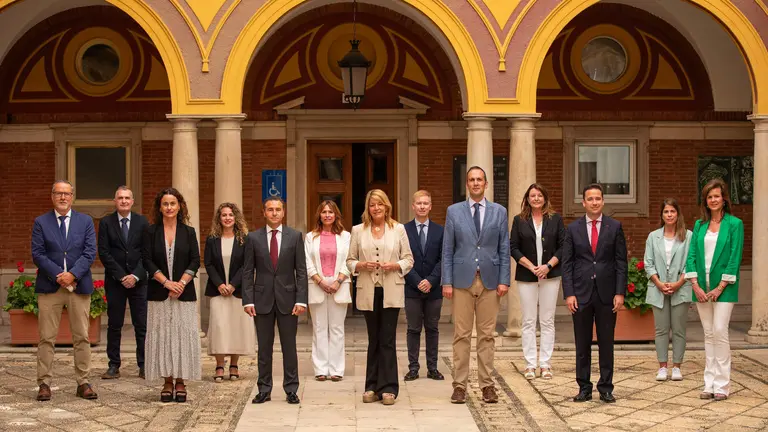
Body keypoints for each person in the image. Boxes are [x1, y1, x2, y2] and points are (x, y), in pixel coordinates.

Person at [442, 166, 510, 405]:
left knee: (487, 336)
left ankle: (487, 386)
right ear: (467, 184)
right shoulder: (454, 211)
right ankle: (459, 386)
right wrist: (446, 281)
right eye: (471, 179)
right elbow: (448, 248)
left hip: (490, 282)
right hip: (461, 281)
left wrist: (504, 279)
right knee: (461, 335)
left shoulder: (499, 212)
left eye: (479, 179)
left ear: (486, 183)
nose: (475, 183)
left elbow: (504, 248)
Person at [32, 180, 97, 401]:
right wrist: (60, 275)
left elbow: (90, 252)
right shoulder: (41, 222)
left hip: (78, 286)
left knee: (82, 337)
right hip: (51, 286)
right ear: (52, 196)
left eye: (66, 194)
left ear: (72, 197)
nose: (62, 197)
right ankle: (44, 383)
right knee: (46, 337)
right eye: (58, 193)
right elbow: (38, 254)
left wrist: (73, 275)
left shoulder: (85, 221)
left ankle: (83, 382)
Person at [347, 189, 414, 406]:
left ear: (387, 206)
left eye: (380, 204)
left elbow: (408, 259)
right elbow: (349, 260)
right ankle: (371, 386)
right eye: (372, 205)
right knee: (373, 339)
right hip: (368, 289)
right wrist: (360, 265)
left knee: (387, 339)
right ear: (368, 208)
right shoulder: (358, 230)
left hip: (391, 289)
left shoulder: (398, 229)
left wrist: (395, 265)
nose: (376, 208)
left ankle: (389, 388)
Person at [562, 183, 627, 404]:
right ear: (583, 202)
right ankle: (584, 387)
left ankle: (606, 388)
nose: (594, 202)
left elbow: (621, 262)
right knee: (582, 344)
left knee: (606, 343)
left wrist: (620, 292)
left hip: (607, 294)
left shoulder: (615, 226)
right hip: (580, 294)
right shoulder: (572, 229)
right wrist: (569, 293)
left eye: (598, 198)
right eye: (590, 199)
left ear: (603, 201)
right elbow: (567, 264)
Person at [243, 197, 308, 405]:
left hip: (288, 300)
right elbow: (247, 271)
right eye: (270, 210)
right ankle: (264, 389)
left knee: (289, 347)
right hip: (261, 300)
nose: (274, 213)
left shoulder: (295, 236)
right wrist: (248, 300)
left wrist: (301, 300)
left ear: (283, 212)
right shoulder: (253, 238)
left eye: (277, 209)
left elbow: (301, 271)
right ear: (264, 212)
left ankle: (291, 389)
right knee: (264, 348)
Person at [685, 179, 743, 401]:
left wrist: (719, 287)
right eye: (709, 197)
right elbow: (691, 256)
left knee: (720, 331)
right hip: (701, 288)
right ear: (705, 200)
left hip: (725, 287)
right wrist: (695, 285)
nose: (713, 200)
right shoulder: (699, 225)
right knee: (708, 334)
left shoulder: (735, 224)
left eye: (717, 196)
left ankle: (722, 385)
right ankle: (708, 383)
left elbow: (734, 258)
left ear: (724, 198)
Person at [142, 188, 201, 403]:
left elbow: (195, 260)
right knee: (162, 335)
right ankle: (167, 380)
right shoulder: (150, 231)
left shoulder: (189, 232)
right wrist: (166, 282)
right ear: (160, 207)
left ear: (180, 207)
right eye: (165, 204)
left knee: (183, 335)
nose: (169, 207)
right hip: (159, 292)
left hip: (184, 294)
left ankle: (181, 381)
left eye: (173, 203)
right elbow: (147, 260)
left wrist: (181, 284)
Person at [509, 183, 565, 381]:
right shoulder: (519, 220)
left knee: (547, 320)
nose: (536, 198)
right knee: (529, 320)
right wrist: (531, 267)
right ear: (527, 198)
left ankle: (546, 364)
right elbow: (513, 247)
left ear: (545, 198)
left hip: (550, 275)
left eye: (539, 195)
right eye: (532, 195)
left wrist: (547, 266)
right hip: (527, 276)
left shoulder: (555, 219)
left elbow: (563, 246)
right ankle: (530, 364)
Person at [98, 186, 149, 380]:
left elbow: (147, 252)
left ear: (132, 201)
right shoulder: (106, 222)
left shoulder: (142, 222)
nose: (124, 201)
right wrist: (121, 276)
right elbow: (104, 252)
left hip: (139, 282)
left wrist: (135, 275)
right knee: (114, 324)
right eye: (120, 198)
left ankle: (143, 365)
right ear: (115, 201)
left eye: (127, 198)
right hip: (115, 282)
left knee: (141, 325)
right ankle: (113, 365)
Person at [204, 202, 255, 383]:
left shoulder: (244, 239)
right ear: (219, 218)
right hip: (218, 292)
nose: (227, 218)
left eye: (230, 215)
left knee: (235, 328)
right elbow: (208, 263)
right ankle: (219, 365)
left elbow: (246, 265)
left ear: (236, 218)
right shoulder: (212, 239)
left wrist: (233, 284)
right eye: (224, 215)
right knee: (219, 327)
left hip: (238, 291)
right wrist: (220, 284)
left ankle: (234, 364)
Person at [644, 198, 692, 382]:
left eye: (672, 211)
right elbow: (648, 263)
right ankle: (662, 367)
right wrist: (659, 283)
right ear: (662, 215)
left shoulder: (688, 236)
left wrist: (679, 282)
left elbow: (691, 262)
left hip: (681, 288)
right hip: (658, 288)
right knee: (661, 329)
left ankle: (677, 366)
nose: (669, 215)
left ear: (678, 214)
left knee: (679, 329)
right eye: (666, 212)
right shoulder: (653, 236)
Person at [305, 200, 351, 382]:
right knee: (319, 328)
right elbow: (307, 262)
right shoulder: (311, 237)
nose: (327, 215)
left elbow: (350, 260)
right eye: (324, 212)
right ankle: (321, 369)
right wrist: (319, 280)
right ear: (319, 215)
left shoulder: (346, 236)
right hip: (317, 285)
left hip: (339, 286)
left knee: (337, 329)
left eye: (330, 212)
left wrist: (338, 281)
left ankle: (337, 369)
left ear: (336, 215)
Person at [403, 190, 444, 382]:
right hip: (412, 288)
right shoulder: (403, 230)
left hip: (434, 289)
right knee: (413, 329)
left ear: (430, 206)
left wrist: (431, 280)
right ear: (413, 206)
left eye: (425, 203)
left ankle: (433, 368)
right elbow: (401, 258)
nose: (422, 206)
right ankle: (413, 368)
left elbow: (443, 259)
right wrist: (417, 280)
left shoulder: (440, 231)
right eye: (418, 203)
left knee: (432, 328)